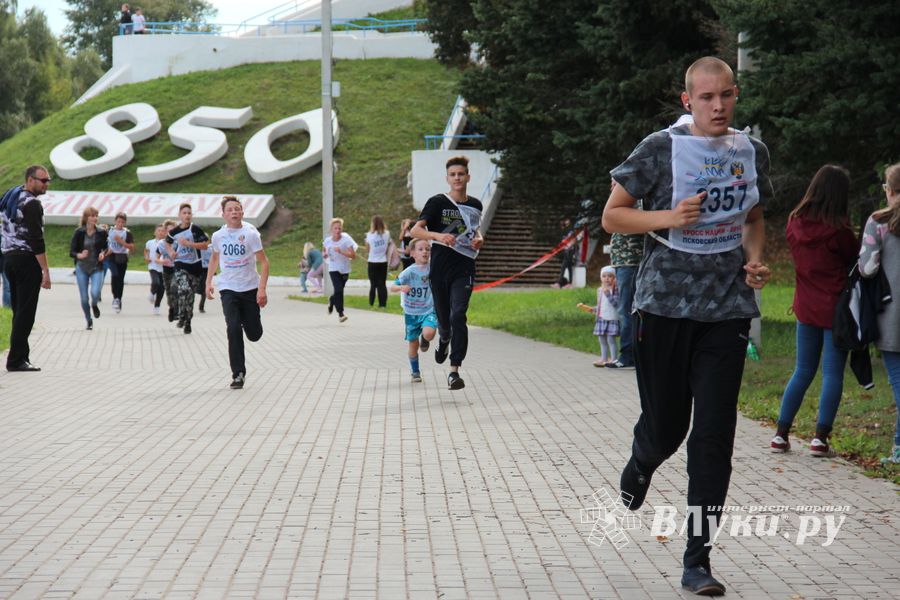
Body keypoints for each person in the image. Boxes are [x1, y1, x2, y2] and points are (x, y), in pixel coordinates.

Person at [601, 57, 773, 596]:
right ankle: (643, 457)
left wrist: (756, 258)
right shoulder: (661, 149)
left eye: (726, 95)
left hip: (727, 310)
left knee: (714, 438)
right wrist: (668, 218)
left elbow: (753, 216)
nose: (718, 106)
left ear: (736, 94)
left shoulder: (751, 151)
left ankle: (697, 560)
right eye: (706, 97)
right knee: (669, 428)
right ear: (687, 101)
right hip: (664, 309)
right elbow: (614, 214)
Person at [771, 165, 858, 457]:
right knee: (832, 373)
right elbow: (854, 261)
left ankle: (781, 434)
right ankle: (820, 439)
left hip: (805, 306)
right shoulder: (839, 231)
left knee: (803, 370)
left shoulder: (794, 223)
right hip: (836, 310)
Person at [410, 155, 484, 391]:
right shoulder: (437, 202)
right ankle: (443, 340)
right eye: (453, 175)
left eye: (461, 174)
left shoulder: (475, 205)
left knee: (458, 314)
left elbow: (475, 230)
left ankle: (454, 371)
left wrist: (480, 239)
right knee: (444, 322)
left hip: (464, 267)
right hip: (440, 269)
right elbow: (415, 230)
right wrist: (439, 236)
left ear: (468, 177)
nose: (457, 178)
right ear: (447, 178)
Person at [859, 162, 900, 466]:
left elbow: (867, 268)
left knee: (898, 382)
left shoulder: (878, 223)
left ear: (890, 191)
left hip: (891, 315)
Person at [206, 196, 269, 390]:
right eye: (230, 209)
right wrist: (208, 282)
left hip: (249, 288)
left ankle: (248, 322)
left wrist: (262, 289)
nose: (234, 212)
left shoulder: (250, 234)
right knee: (233, 328)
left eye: (237, 209)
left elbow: (264, 262)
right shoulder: (218, 236)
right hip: (228, 288)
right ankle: (238, 373)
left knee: (254, 334)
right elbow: (215, 258)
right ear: (223, 214)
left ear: (242, 212)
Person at [0, 165, 53, 372]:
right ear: (30, 180)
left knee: (18, 310)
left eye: (48, 180)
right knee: (26, 312)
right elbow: (36, 240)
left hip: (9, 260)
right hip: (25, 260)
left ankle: (22, 355)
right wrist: (45, 271)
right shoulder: (32, 204)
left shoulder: (11, 196)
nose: (46, 184)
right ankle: (15, 360)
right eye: (43, 180)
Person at [390, 238, 438, 382]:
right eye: (421, 249)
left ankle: (425, 337)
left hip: (429, 310)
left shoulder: (433, 269)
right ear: (412, 253)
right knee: (413, 344)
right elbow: (392, 287)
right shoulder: (408, 272)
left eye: (427, 249)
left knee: (429, 333)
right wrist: (401, 288)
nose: (425, 252)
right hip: (411, 314)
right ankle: (415, 372)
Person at [606, 181, 642, 370]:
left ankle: (628, 355)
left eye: (615, 184)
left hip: (631, 263)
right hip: (623, 264)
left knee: (626, 310)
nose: (612, 188)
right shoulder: (623, 206)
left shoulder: (634, 206)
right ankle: (631, 354)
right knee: (626, 310)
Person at [163, 204, 209, 334]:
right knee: (184, 289)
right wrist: (171, 251)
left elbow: (205, 245)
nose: (187, 215)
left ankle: (187, 320)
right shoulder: (174, 232)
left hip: (195, 266)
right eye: (184, 213)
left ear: (191, 215)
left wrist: (189, 244)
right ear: (180, 215)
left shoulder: (196, 229)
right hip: (180, 264)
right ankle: (181, 314)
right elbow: (167, 242)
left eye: (189, 213)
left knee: (190, 296)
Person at [69, 206, 110, 330]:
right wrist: (79, 255)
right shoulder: (79, 232)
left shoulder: (101, 232)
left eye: (96, 215)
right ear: (87, 217)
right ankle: (88, 319)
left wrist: (103, 253)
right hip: (82, 267)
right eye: (92, 215)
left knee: (95, 293)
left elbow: (106, 247)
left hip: (97, 267)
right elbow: (72, 252)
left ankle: (95, 304)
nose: (95, 218)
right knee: (84, 298)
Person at [322, 218, 357, 323]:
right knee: (339, 290)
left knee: (338, 290)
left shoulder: (346, 240)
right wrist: (325, 254)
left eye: (339, 228)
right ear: (331, 230)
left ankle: (332, 300)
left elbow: (353, 255)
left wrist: (341, 251)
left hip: (345, 269)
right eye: (335, 228)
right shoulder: (327, 241)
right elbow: (323, 253)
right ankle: (341, 314)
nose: (337, 230)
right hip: (333, 268)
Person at [591, 266, 620, 367]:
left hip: (612, 318)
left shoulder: (616, 289)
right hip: (601, 317)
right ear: (601, 278)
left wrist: (608, 294)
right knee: (602, 339)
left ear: (614, 278)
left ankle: (614, 359)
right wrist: (594, 309)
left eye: (610, 276)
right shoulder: (599, 290)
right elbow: (600, 304)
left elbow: (616, 304)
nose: (606, 278)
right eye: (604, 276)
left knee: (611, 339)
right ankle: (604, 358)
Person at [106, 212, 135, 313]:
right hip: (112, 256)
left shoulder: (127, 233)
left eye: (122, 222)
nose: (120, 223)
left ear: (125, 223)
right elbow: (105, 243)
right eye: (118, 221)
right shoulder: (110, 231)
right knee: (114, 275)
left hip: (122, 257)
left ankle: (118, 299)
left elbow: (132, 247)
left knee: (120, 279)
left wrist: (121, 242)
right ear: (115, 221)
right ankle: (115, 297)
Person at [365, 215, 391, 307]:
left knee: (373, 284)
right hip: (383, 261)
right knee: (382, 284)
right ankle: (382, 304)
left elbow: (367, 249)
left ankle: (371, 303)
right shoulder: (387, 234)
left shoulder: (369, 235)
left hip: (372, 261)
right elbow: (388, 246)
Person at [144, 224, 167, 315]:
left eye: (162, 231)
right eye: (159, 230)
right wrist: (146, 257)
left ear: (165, 233)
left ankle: (157, 306)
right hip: (153, 266)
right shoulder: (150, 242)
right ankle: (152, 293)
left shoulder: (166, 243)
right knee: (155, 282)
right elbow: (146, 251)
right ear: (155, 232)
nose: (160, 232)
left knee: (161, 288)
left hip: (163, 268)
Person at [158, 219, 177, 322]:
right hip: (166, 270)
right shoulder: (161, 243)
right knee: (169, 293)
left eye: (173, 230)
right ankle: (172, 308)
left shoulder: (178, 242)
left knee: (175, 288)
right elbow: (156, 257)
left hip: (177, 269)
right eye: (169, 231)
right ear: (165, 232)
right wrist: (161, 261)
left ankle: (176, 309)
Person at [552, 218, 576, 288]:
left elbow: (573, 241)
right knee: (569, 268)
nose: (565, 222)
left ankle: (559, 283)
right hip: (566, 251)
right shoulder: (565, 231)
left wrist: (569, 247)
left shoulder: (571, 230)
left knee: (563, 267)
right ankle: (570, 284)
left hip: (570, 251)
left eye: (566, 220)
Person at [198, 245, 211, 313]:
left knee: (204, 290)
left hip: (206, 270)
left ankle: (201, 307)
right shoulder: (196, 248)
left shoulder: (210, 249)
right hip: (197, 270)